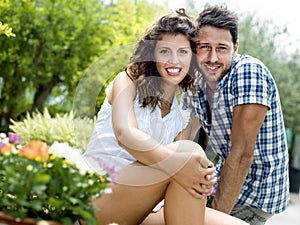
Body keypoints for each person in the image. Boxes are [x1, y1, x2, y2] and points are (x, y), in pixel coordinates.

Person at [83, 9, 248, 225]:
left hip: (147, 208)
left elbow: (183, 176)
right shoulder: (127, 81)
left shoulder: (181, 115)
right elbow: (125, 133)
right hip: (98, 196)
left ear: (192, 58)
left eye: (182, 52)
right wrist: (184, 163)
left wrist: (203, 176)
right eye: (164, 52)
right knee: (189, 153)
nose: (174, 60)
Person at [181, 4, 290, 225]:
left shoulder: (248, 73)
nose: (212, 58)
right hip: (225, 176)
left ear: (235, 48)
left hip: (257, 192)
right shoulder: (197, 80)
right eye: (204, 47)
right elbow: (182, 139)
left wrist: (215, 217)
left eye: (221, 48)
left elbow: (241, 156)